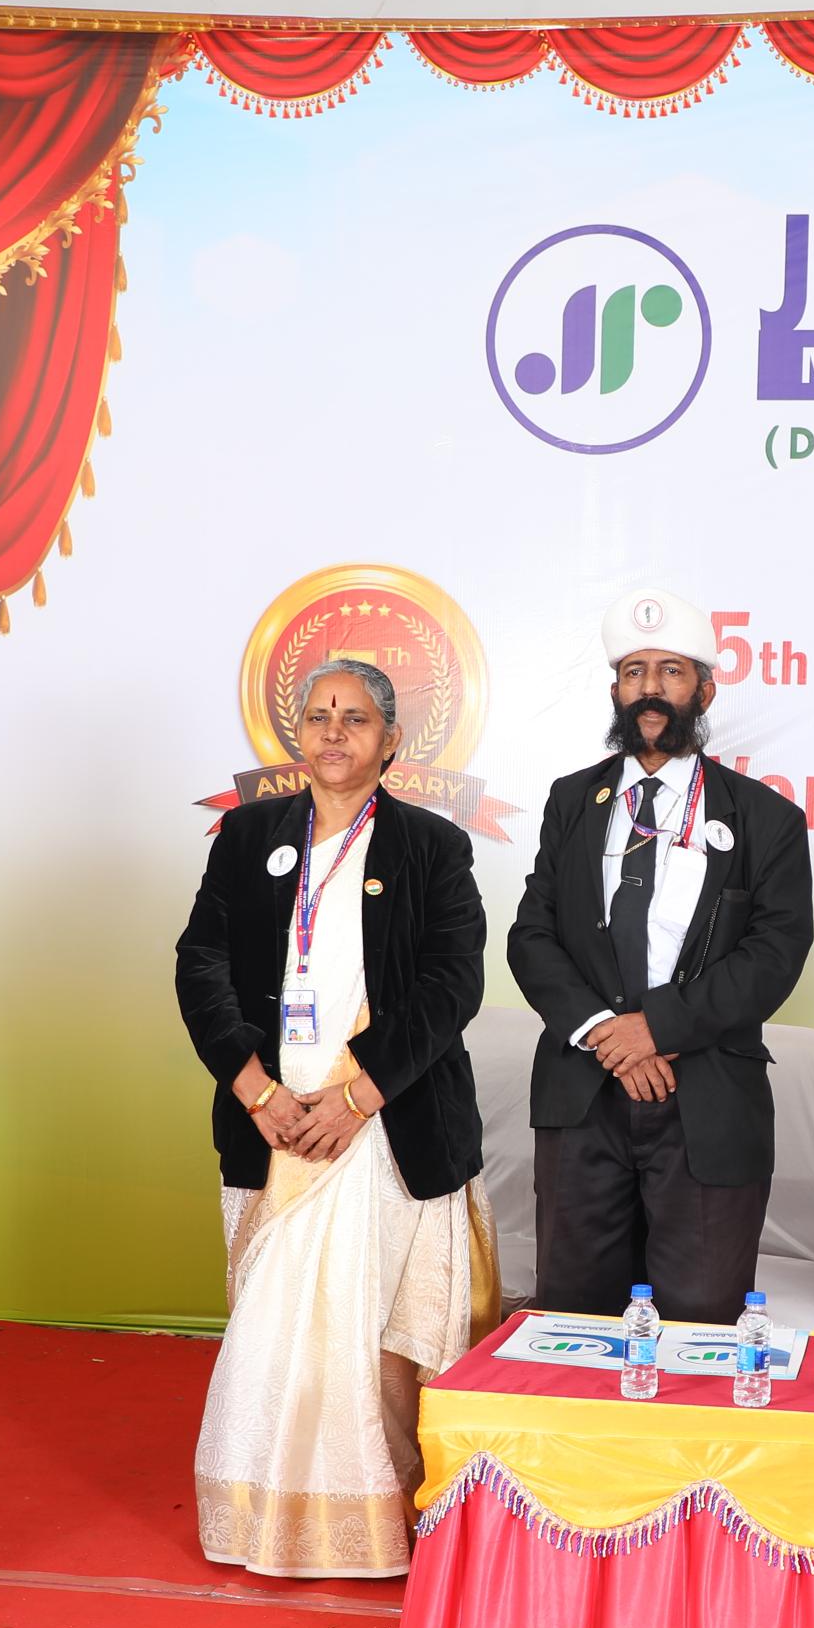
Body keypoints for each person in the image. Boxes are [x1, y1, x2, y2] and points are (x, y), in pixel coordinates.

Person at [175, 657, 493, 1579]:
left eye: (355, 718)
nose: (334, 732)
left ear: (391, 741)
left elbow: (451, 986)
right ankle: (264, 1520)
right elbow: (201, 963)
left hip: (387, 1124)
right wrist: (256, 1090)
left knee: (378, 1339)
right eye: (319, 715)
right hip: (273, 1121)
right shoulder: (248, 836)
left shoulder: (432, 847)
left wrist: (357, 1096)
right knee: (277, 1329)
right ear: (298, 735)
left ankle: (388, 1515)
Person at [507, 587, 814, 1323]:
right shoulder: (570, 801)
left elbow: (775, 953)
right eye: (635, 671)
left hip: (706, 1099)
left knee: (700, 1321)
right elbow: (532, 935)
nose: (651, 688)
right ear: (615, 690)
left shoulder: (765, 818)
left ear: (704, 691)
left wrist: (656, 1029)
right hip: (583, 1094)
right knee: (573, 1319)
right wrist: (606, 1035)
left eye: (671, 672)